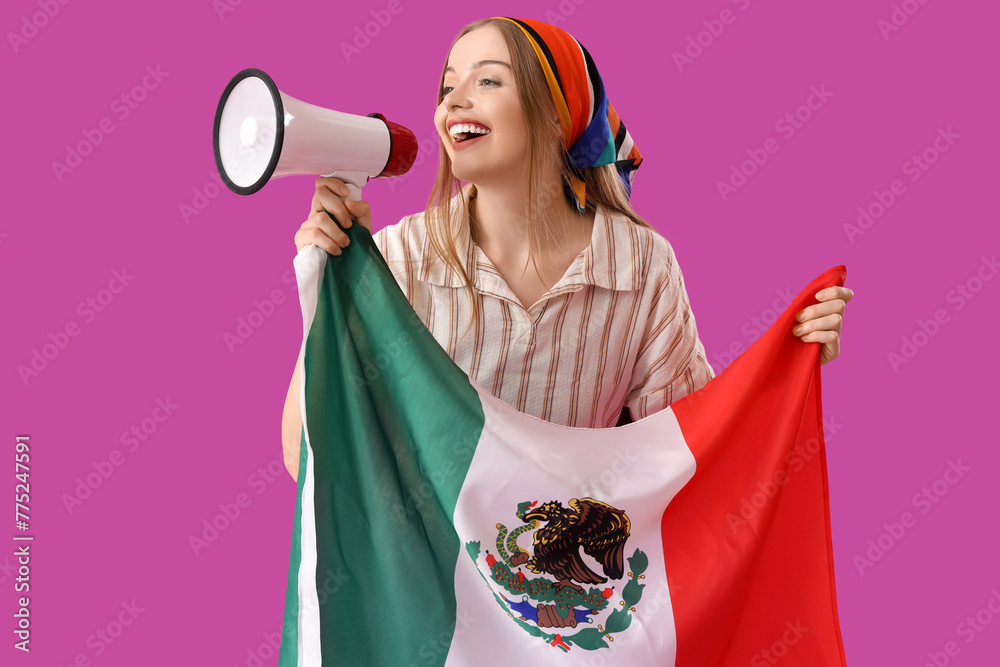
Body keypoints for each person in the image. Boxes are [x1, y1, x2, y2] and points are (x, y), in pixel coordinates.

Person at [281, 17, 853, 481]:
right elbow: (306, 455)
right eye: (447, 84)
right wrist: (330, 290)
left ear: (558, 114)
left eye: (487, 80)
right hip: (440, 591)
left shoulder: (640, 266)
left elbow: (692, 453)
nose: (453, 101)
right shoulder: (399, 259)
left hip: (573, 592)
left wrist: (789, 366)